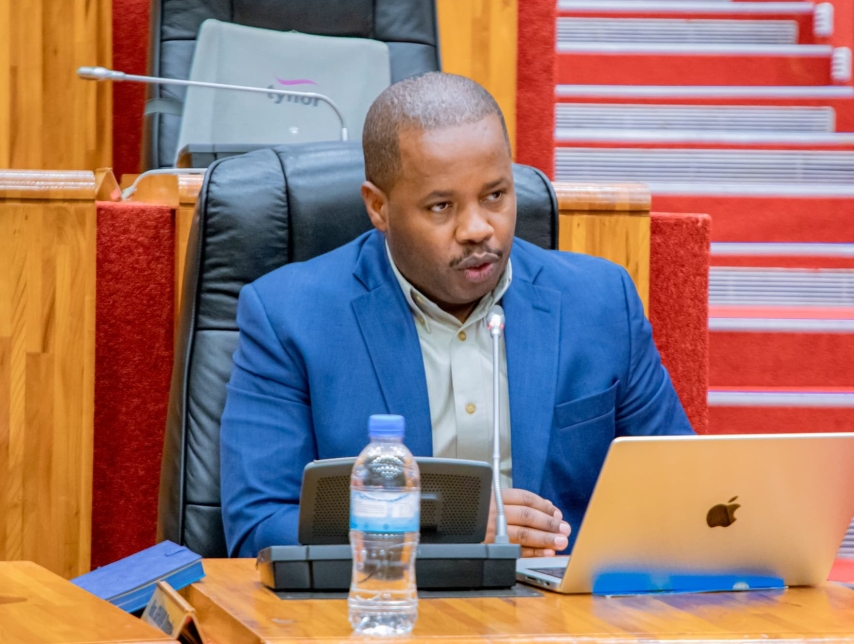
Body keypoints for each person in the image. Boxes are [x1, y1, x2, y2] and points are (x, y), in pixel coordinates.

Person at [219, 72, 693, 559]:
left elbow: (684, 490)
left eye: (495, 196)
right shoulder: (289, 317)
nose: (477, 228)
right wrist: (437, 522)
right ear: (378, 207)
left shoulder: (599, 301)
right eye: (442, 206)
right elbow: (257, 526)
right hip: (388, 612)